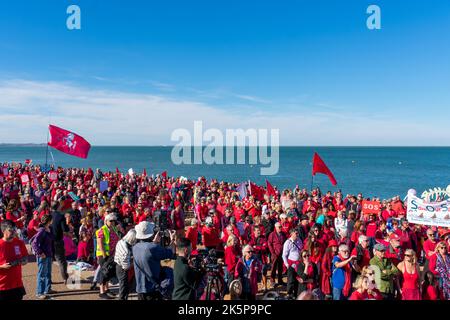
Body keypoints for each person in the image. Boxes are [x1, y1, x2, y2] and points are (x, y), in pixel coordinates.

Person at [133, 221, 176, 300]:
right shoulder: (153, 248)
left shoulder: (135, 247)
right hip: (152, 290)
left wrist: (154, 242)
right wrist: (172, 239)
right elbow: (172, 252)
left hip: (140, 289)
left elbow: (147, 252)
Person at [0, 220, 28, 300]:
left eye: (14, 229)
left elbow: (25, 258)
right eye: (10, 230)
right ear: (3, 230)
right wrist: (2, 267)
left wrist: (21, 261)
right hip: (2, 287)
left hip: (17, 285)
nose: (13, 232)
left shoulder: (19, 243)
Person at [96, 213, 121, 299]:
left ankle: (106, 289)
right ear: (106, 221)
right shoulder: (102, 230)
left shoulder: (114, 228)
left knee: (108, 272)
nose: (113, 222)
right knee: (104, 272)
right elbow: (100, 244)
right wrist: (104, 255)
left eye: (114, 221)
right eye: (111, 221)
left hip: (111, 255)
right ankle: (101, 291)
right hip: (103, 255)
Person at [31, 214, 55, 299]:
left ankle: (47, 289)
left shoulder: (49, 229)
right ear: (49, 221)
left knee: (48, 273)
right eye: (52, 220)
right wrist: (40, 253)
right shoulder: (42, 231)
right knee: (41, 274)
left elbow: (51, 240)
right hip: (43, 256)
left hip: (48, 255)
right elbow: (34, 243)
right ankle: (39, 292)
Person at [114, 228, 137, 300]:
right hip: (122, 268)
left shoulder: (121, 241)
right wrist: (134, 262)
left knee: (125, 286)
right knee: (123, 287)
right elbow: (126, 266)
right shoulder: (125, 248)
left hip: (120, 265)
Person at [51, 201, 70, 284]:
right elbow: (65, 229)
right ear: (58, 207)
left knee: (48, 261)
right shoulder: (60, 216)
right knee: (61, 260)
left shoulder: (49, 215)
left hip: (49, 241)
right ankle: (65, 277)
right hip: (57, 240)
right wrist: (67, 221)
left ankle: (48, 280)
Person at [282, 229, 303, 298]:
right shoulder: (287, 242)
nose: (297, 234)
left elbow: (301, 249)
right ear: (291, 234)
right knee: (291, 279)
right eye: (296, 233)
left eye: (297, 233)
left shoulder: (299, 240)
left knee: (298, 278)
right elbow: (284, 255)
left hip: (299, 263)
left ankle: (296, 293)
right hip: (291, 263)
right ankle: (289, 294)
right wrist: (287, 264)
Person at [267, 222, 286, 287]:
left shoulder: (283, 234)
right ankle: (272, 281)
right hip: (275, 254)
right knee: (273, 268)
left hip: (281, 253)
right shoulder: (272, 234)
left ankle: (280, 280)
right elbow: (269, 244)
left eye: (281, 226)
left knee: (280, 268)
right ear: (276, 227)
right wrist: (272, 253)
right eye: (279, 227)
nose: (281, 228)